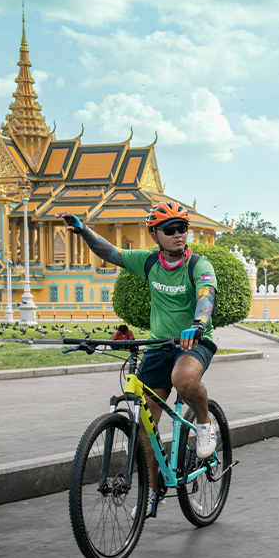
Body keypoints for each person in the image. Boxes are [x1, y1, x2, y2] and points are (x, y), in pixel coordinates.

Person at [60, 200, 219, 517]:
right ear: (155, 234)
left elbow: (206, 296)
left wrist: (198, 324)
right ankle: (153, 489)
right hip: (159, 346)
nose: (178, 235)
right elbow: (110, 253)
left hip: (193, 342)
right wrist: (83, 231)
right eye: (170, 230)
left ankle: (204, 422)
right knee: (145, 424)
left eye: (183, 228)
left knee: (184, 379)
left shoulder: (198, 265)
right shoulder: (148, 263)